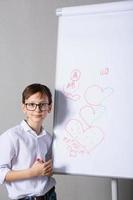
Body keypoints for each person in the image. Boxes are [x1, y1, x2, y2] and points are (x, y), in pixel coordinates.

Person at [0, 83, 57, 200]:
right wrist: (32, 172)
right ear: (24, 108)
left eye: (43, 104)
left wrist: (49, 169)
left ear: (49, 108)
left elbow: (48, 170)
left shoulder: (48, 138)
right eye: (31, 104)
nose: (37, 109)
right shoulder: (11, 136)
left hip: (49, 195)